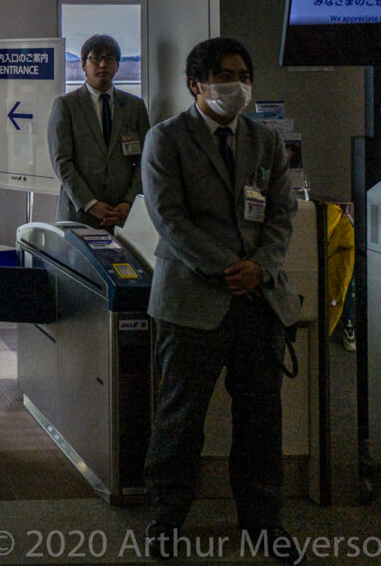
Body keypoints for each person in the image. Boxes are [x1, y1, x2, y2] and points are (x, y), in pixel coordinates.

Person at [140, 38, 298, 561]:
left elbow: (281, 212)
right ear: (197, 84)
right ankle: (165, 519)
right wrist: (226, 267)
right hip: (193, 299)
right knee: (180, 417)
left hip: (258, 300)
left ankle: (262, 521)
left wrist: (263, 266)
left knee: (260, 418)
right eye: (227, 75)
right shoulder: (166, 139)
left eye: (244, 75)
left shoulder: (265, 140)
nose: (239, 85)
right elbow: (169, 218)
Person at [47, 34, 150, 230]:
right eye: (95, 59)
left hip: (123, 215)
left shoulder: (134, 106)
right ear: (83, 65)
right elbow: (62, 162)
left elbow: (144, 159)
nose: (102, 65)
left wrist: (129, 202)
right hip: (79, 214)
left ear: (117, 66)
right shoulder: (66, 106)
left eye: (109, 59)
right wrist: (91, 203)